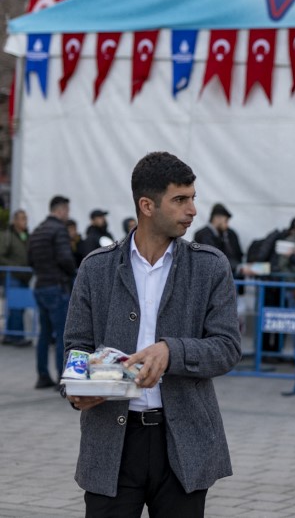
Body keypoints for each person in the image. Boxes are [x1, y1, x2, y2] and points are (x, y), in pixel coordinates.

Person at [61, 151, 242, 515]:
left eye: (193, 198)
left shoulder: (210, 266)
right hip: (110, 441)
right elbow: (76, 346)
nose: (192, 210)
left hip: (183, 443)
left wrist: (171, 352)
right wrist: (76, 389)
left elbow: (226, 347)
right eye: (180, 199)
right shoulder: (96, 268)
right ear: (147, 205)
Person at [28, 195, 77, 389]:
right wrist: (73, 272)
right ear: (61, 210)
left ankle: (42, 376)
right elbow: (65, 258)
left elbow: (30, 260)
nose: (68, 215)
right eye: (67, 211)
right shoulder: (59, 230)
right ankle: (61, 378)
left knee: (44, 334)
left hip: (40, 285)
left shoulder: (38, 230)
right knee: (63, 334)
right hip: (57, 287)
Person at [0, 209, 32, 346]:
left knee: (19, 306)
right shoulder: (7, 236)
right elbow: (1, 256)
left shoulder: (26, 236)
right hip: (12, 276)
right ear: (14, 221)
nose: (25, 221)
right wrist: (15, 267)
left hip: (23, 277)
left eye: (26, 218)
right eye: (22, 218)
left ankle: (11, 335)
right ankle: (17, 337)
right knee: (16, 307)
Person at [192, 203, 244, 272]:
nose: (227, 225)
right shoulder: (203, 235)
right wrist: (238, 268)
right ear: (217, 218)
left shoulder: (228, 233)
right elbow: (213, 258)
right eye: (226, 221)